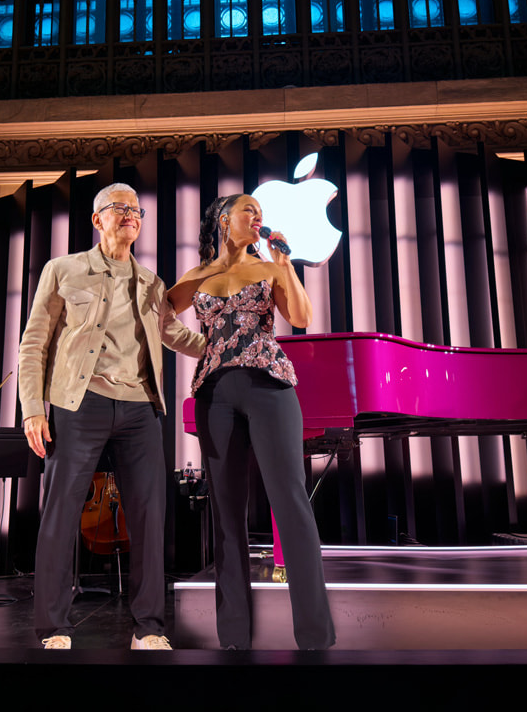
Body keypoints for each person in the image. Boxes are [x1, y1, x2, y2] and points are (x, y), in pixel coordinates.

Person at [18, 182, 205, 650]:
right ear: (98, 219)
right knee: (61, 513)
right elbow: (33, 343)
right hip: (77, 403)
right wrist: (31, 410)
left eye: (136, 209)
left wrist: (229, 347)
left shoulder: (151, 283)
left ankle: (149, 628)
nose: (130, 215)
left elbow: (175, 336)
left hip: (141, 408)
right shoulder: (63, 269)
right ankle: (53, 626)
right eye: (119, 208)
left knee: (148, 515)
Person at [167, 193, 336, 650]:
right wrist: (196, 348)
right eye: (248, 210)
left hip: (269, 387)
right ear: (225, 220)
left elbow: (300, 317)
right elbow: (157, 316)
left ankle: (316, 638)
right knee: (225, 515)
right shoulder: (197, 276)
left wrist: (285, 264)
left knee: (292, 504)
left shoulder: (270, 266)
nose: (257, 216)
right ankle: (234, 640)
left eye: (260, 212)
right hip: (214, 396)